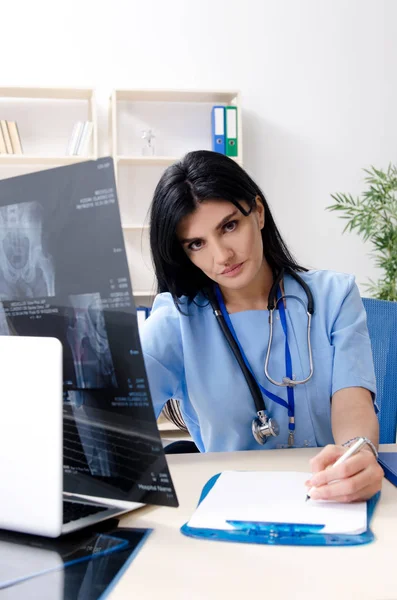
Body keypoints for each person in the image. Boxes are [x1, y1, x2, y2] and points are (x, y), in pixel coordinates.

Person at [141, 150, 383, 502]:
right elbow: (111, 422)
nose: (222, 255)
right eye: (197, 243)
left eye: (229, 226)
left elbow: (352, 402)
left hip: (330, 496)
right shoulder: (175, 320)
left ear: (258, 211)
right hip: (231, 506)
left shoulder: (335, 296)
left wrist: (357, 453)